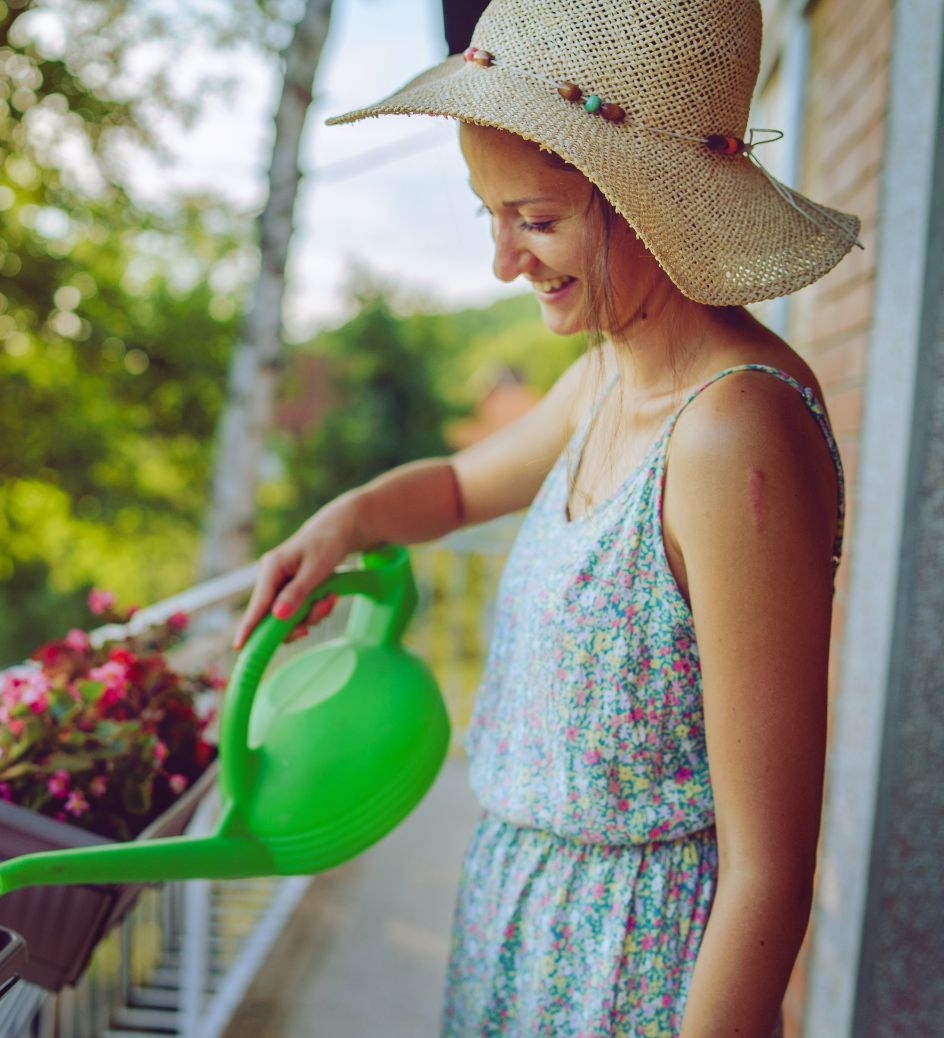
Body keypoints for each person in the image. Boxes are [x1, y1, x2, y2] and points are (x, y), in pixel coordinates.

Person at [232, 0, 860, 1034]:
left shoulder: (731, 433)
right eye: (490, 216)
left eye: (534, 220)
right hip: (515, 933)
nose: (501, 265)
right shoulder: (608, 372)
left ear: (646, 198)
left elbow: (769, 871)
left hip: (631, 976)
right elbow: (454, 488)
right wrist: (343, 518)